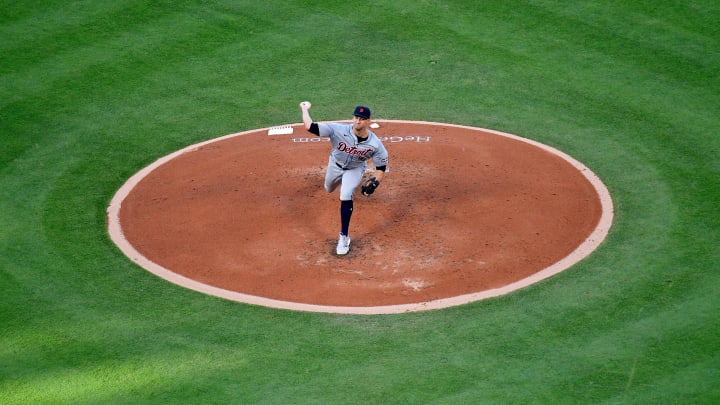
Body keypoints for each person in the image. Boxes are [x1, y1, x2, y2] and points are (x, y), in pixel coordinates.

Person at [299, 101, 389, 255]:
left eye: (361, 118)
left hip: (355, 169)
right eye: (356, 117)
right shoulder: (338, 129)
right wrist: (304, 109)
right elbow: (310, 127)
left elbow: (381, 168)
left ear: (368, 121)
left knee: (345, 194)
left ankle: (344, 237)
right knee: (328, 188)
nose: (358, 121)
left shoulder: (375, 144)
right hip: (335, 165)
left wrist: (375, 182)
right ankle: (341, 182)